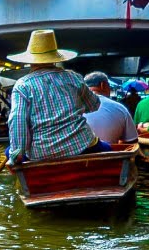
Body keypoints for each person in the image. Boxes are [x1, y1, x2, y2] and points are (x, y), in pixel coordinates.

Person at [6, 29, 103, 163]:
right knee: (107, 147)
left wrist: (16, 154)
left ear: (30, 61)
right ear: (55, 59)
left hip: (41, 153)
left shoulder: (22, 85)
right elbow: (95, 105)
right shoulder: (72, 77)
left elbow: (17, 122)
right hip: (81, 144)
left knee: (9, 152)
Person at [82, 71, 137, 144]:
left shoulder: (73, 108)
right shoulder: (120, 108)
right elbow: (132, 141)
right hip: (109, 154)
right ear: (103, 85)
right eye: (109, 86)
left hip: (76, 154)